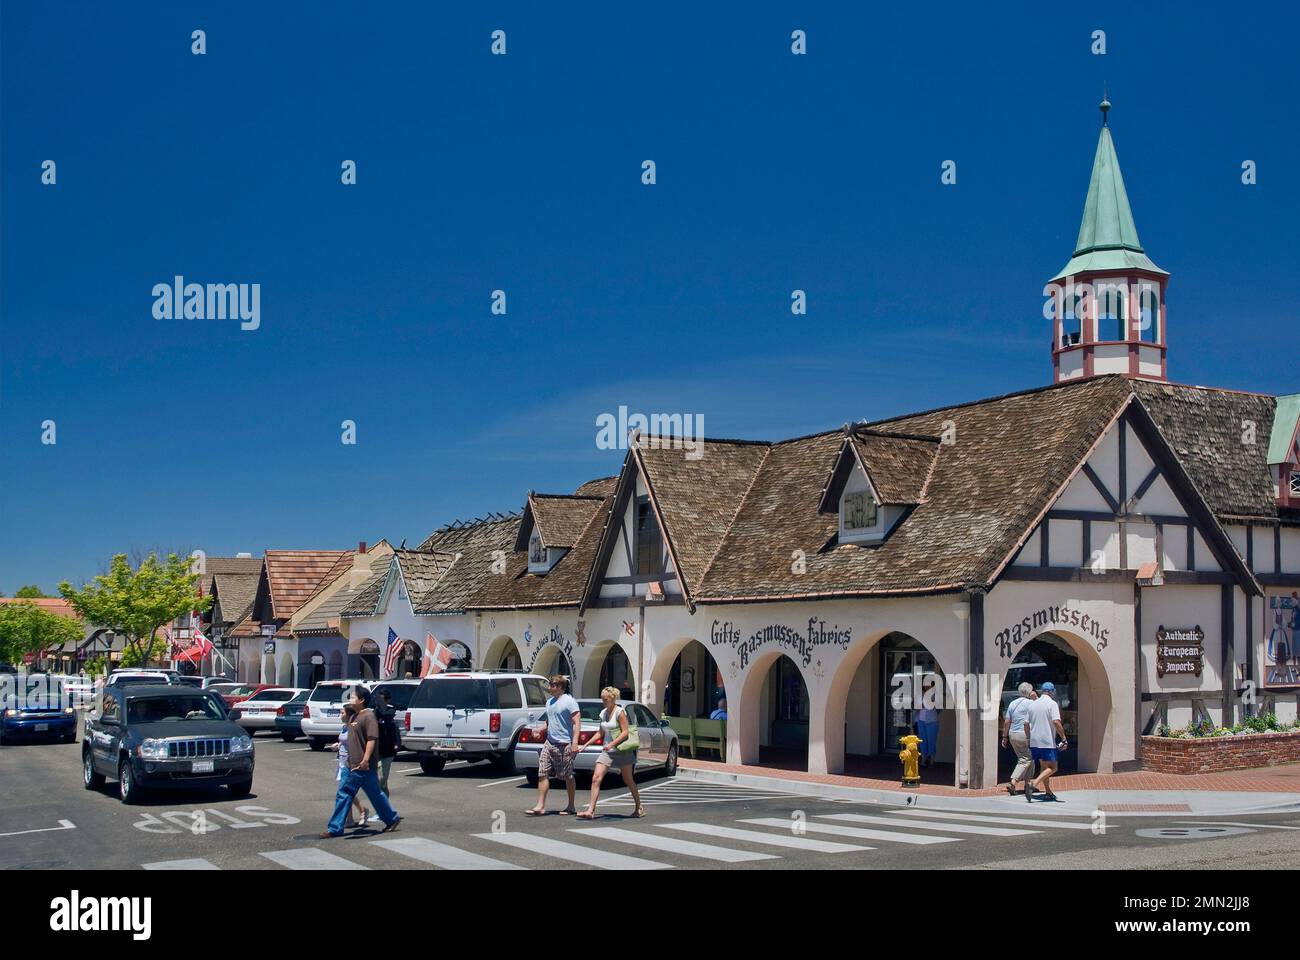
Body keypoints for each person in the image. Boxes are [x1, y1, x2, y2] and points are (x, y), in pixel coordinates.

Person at [320, 685, 402, 837]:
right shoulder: (353, 717)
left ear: (362, 700)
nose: (350, 699)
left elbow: (371, 739)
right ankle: (392, 819)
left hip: (362, 764)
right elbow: (352, 739)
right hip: (350, 764)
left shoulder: (368, 716)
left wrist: (365, 759)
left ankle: (335, 828)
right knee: (375, 794)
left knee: (344, 793)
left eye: (352, 697)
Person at [578, 687, 645, 820]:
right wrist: (585, 744)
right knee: (596, 778)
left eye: (606, 699)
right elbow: (600, 732)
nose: (603, 701)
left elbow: (625, 732)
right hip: (607, 752)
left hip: (622, 751)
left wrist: (612, 744)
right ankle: (590, 811)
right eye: (602, 698)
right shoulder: (603, 713)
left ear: (613, 699)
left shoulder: (620, 712)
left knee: (628, 780)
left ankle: (639, 807)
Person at [525, 675, 581, 817]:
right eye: (549, 684)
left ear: (561, 687)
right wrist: (539, 730)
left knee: (567, 776)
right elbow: (549, 722)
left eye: (553, 684)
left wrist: (574, 743)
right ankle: (540, 805)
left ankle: (571, 805)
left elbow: (577, 723)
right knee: (542, 772)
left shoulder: (570, 702)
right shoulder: (549, 702)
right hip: (549, 743)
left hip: (564, 744)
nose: (550, 687)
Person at [1025, 681, 1068, 802]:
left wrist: (1028, 738)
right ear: (1051, 691)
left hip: (1035, 741)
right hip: (1047, 741)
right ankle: (1033, 784)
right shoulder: (1052, 704)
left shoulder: (1032, 705)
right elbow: (1056, 722)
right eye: (1053, 691)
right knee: (1053, 767)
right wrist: (1063, 737)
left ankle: (1048, 792)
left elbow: (1025, 723)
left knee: (1044, 767)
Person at [326, 703, 368, 827]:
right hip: (342, 762)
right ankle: (349, 819)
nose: (340, 715)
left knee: (344, 791)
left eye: (342, 712)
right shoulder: (345, 727)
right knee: (346, 791)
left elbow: (356, 744)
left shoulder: (353, 728)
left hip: (350, 764)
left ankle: (361, 811)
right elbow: (344, 742)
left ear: (349, 715)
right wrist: (338, 745)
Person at [1001, 682, 1037, 796]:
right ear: (1030, 691)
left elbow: (1007, 721)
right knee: (1025, 759)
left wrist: (1004, 736)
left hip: (1013, 734)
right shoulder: (1032, 703)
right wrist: (1035, 697)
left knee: (1029, 759)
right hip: (1025, 734)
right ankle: (1013, 781)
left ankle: (1028, 785)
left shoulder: (1012, 703)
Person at [374, 689, 400, 795]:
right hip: (376, 751)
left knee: (382, 779)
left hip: (388, 751)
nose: (379, 701)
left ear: (388, 700)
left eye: (382, 699)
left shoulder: (391, 711)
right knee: (378, 782)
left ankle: (384, 808)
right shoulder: (374, 713)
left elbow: (386, 716)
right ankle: (384, 808)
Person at [915, 684, 940, 768]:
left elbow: (933, 705)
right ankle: (923, 760)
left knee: (931, 741)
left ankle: (932, 761)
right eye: (925, 685)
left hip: (932, 721)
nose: (926, 687)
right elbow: (916, 706)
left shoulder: (935, 694)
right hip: (921, 721)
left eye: (928, 685)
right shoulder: (920, 694)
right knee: (922, 741)